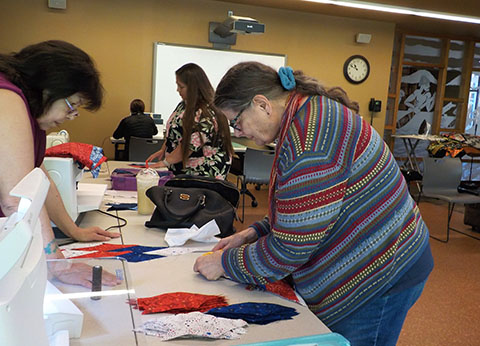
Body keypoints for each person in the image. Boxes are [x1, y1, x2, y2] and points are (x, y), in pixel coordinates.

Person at [194, 62, 434, 345]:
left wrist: (226, 263)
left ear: (261, 104)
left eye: (237, 122)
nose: (239, 132)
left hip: (381, 273)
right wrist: (253, 233)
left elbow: (290, 249)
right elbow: (307, 207)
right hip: (381, 255)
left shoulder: (310, 141)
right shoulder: (307, 115)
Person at [0, 40, 119, 288]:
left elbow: (38, 179)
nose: (71, 117)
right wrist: (57, 264)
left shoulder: (33, 117)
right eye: (72, 105)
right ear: (48, 87)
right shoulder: (7, 98)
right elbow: (18, 199)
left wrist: (73, 230)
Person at [146, 63, 233, 180]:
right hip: (181, 166)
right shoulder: (184, 105)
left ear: (193, 87)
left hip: (203, 173)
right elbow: (174, 130)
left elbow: (188, 146)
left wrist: (165, 162)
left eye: (181, 87)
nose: (178, 90)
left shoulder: (206, 114)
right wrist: (164, 149)